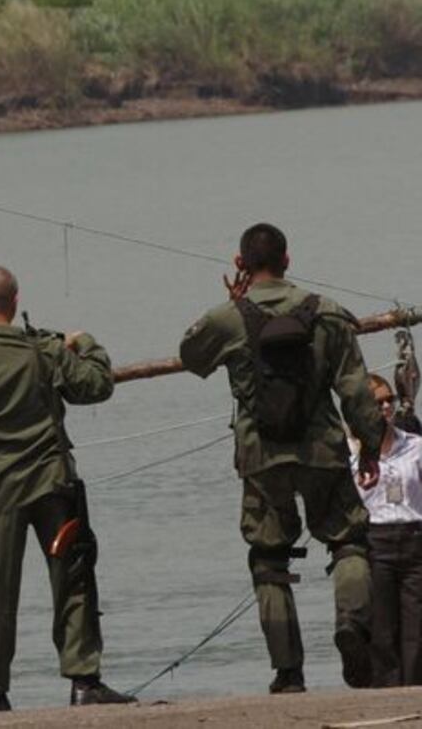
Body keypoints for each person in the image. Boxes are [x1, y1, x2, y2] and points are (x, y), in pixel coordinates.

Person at [180, 222, 385, 694]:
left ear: (240, 264)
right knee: (349, 541)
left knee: (268, 557)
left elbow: (192, 357)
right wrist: (371, 445)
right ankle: (352, 625)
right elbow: (356, 391)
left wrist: (236, 306)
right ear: (288, 260)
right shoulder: (327, 313)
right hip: (322, 451)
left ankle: (288, 673)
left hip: (260, 454)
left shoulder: (229, 318)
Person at [0, 264, 135, 712]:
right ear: (15, 302)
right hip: (53, 485)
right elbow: (97, 385)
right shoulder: (45, 350)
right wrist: (87, 344)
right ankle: (84, 682)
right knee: (73, 580)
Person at [353, 375, 422, 686]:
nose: (385, 407)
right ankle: (385, 693)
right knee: (382, 628)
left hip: (415, 536)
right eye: (377, 402)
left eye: (388, 400)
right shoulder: (352, 454)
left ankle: (415, 690)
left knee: (416, 627)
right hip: (376, 540)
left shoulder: (416, 445)